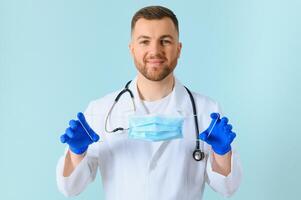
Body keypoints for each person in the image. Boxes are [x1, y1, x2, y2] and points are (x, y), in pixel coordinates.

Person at [56, 5, 242, 200]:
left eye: (165, 41)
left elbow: (227, 188)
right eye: (145, 41)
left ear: (178, 49)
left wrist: (222, 153)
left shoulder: (206, 111)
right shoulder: (101, 111)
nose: (155, 50)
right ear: (132, 49)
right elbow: (71, 188)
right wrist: (77, 153)